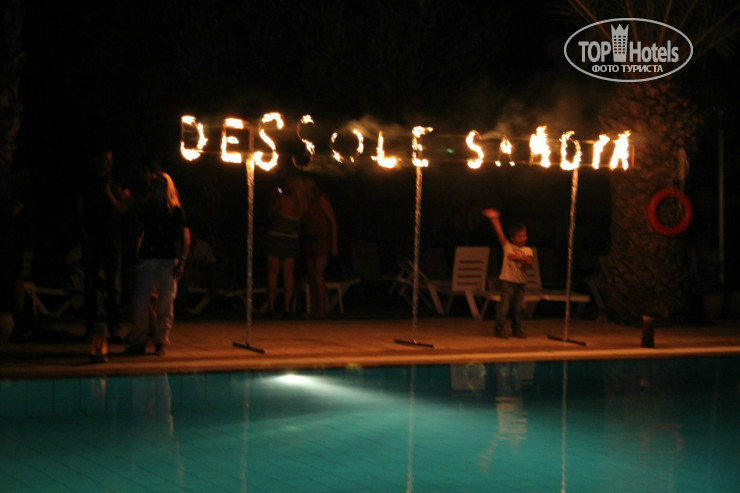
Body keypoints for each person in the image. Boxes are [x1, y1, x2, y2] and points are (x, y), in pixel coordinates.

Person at [125, 169, 189, 356]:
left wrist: (182, 260)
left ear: (167, 187)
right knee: (141, 300)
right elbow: (139, 232)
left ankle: (160, 342)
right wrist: (135, 254)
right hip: (148, 257)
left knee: (165, 302)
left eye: (160, 184)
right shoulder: (146, 207)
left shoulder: (175, 210)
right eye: (154, 185)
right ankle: (138, 341)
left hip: (167, 258)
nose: (156, 188)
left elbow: (183, 236)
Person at [76, 149, 131, 341]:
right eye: (104, 160)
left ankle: (114, 327)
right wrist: (83, 232)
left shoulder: (116, 180)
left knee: (113, 284)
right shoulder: (87, 181)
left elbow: (125, 202)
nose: (108, 164)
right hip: (92, 236)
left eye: (110, 160)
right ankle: (91, 327)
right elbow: (79, 207)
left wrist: (111, 189)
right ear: (96, 161)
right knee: (90, 283)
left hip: (113, 237)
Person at [482, 208, 533, 339]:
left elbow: (529, 263)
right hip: (507, 283)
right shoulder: (508, 247)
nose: (523, 239)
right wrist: (494, 219)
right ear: (512, 238)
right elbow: (500, 234)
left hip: (520, 284)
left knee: (517, 309)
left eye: (524, 236)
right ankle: (499, 329)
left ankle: (517, 329)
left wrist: (519, 258)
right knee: (504, 307)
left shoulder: (528, 250)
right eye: (519, 236)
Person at [266, 176, 305, 316]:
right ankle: (287, 307)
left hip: (276, 237)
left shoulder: (282, 199)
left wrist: (274, 197)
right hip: (291, 239)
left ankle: (272, 306)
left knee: (273, 273)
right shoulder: (302, 203)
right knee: (288, 274)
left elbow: (270, 213)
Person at [302, 177, 338, 318]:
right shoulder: (305, 202)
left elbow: (332, 221)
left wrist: (334, 244)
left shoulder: (321, 199)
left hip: (322, 239)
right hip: (310, 239)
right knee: (311, 275)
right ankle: (313, 309)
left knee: (318, 274)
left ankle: (321, 309)